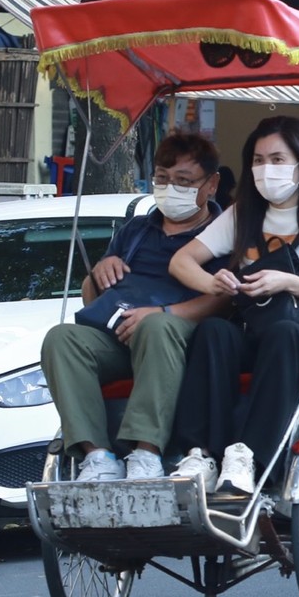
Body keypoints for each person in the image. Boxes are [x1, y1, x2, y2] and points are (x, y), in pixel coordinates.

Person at [169, 116, 299, 498]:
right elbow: (181, 261)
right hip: (254, 334)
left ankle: (248, 455)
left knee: (284, 334)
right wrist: (214, 283)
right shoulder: (242, 215)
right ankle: (201, 453)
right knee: (214, 331)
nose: (265, 169)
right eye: (258, 160)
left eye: (276, 159)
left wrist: (292, 282)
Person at [42, 133, 229, 483]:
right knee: (62, 338)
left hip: (184, 337)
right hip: (122, 337)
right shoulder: (136, 231)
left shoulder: (224, 232)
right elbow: (94, 300)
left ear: (211, 184)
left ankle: (147, 452)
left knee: (156, 328)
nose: (171, 188)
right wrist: (99, 272)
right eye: (162, 179)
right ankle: (96, 456)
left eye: (184, 181)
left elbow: (226, 300)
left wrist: (164, 315)